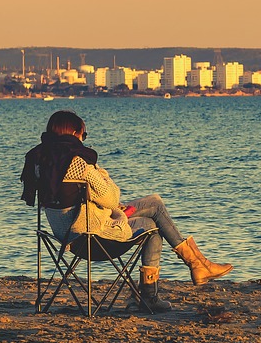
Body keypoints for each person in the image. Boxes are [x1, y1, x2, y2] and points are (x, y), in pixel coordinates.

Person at [20, 110, 231, 311]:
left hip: (65, 235)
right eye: (84, 134)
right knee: (152, 222)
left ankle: (194, 266)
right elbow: (112, 199)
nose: (84, 138)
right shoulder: (79, 163)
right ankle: (161, 288)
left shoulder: (40, 161)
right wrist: (101, 173)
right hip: (92, 236)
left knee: (154, 204)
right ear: (75, 134)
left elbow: (79, 199)